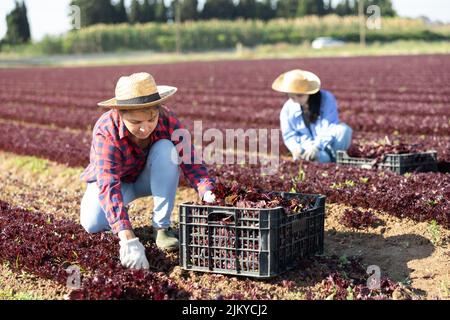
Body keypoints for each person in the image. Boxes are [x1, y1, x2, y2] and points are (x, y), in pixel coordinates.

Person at [79, 72, 216, 270]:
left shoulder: (167, 120)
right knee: (92, 223)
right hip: (119, 183)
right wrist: (127, 237)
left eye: (151, 119)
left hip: (147, 178)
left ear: (158, 109)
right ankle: (120, 217)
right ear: (120, 113)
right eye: (136, 122)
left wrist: (208, 191)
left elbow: (191, 161)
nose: (145, 128)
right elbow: (108, 184)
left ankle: (161, 228)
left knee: (167, 150)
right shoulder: (106, 131)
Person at [272, 69, 353, 163]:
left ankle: (337, 161)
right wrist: (295, 149)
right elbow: (289, 135)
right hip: (307, 146)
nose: (296, 100)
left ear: (309, 92)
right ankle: (327, 161)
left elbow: (330, 126)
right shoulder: (287, 109)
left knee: (344, 130)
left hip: (327, 142)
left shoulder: (326, 99)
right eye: (292, 97)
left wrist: (317, 146)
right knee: (323, 158)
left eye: (300, 96)